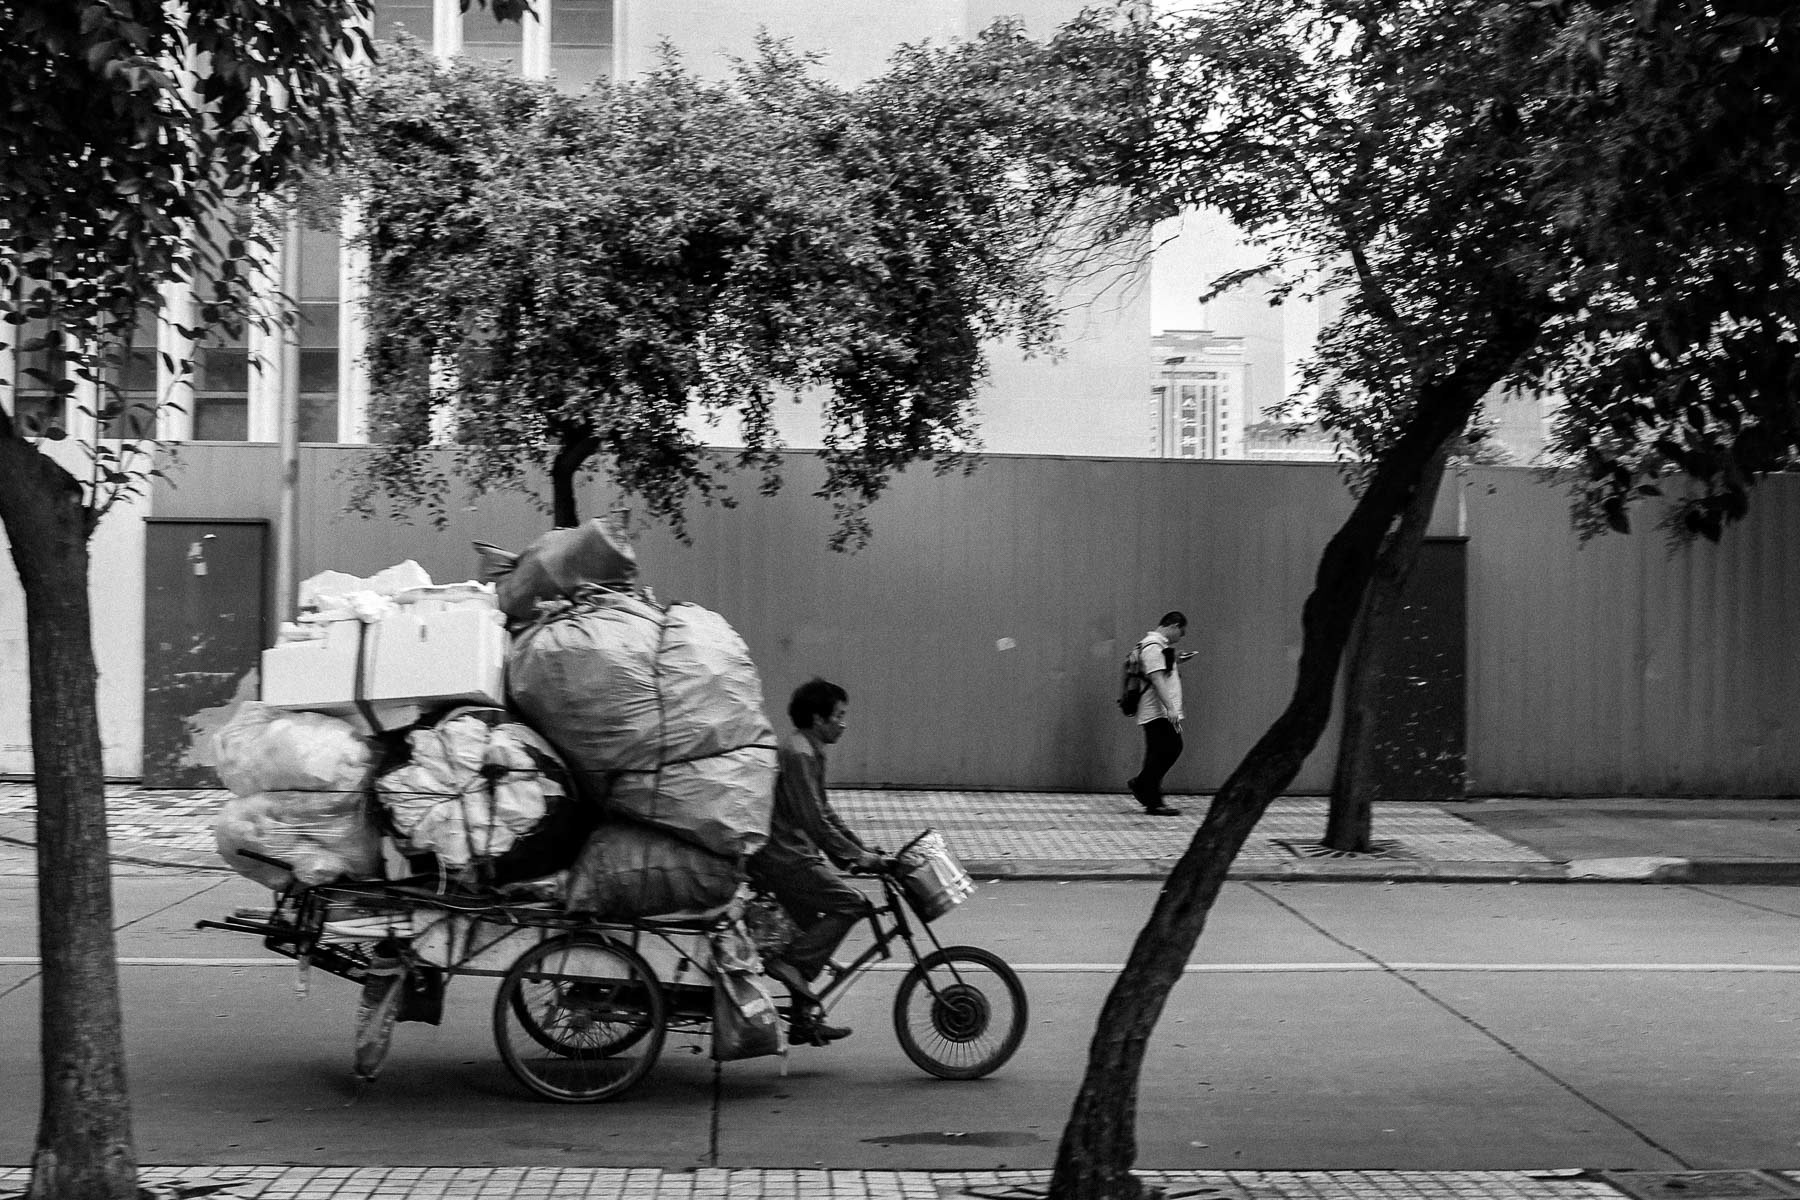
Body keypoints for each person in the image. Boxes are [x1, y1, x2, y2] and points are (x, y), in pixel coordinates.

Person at [748, 677, 887, 1046]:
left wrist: (862, 850)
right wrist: (855, 857)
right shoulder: (799, 754)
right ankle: (793, 967)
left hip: (794, 851)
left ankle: (802, 1021)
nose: (844, 723)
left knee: (808, 927)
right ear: (817, 718)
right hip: (785, 856)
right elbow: (814, 820)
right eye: (838, 716)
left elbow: (825, 812)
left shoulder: (808, 749)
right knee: (853, 904)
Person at [1126, 611, 1191, 817]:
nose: (1180, 637)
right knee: (1172, 747)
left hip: (1156, 711)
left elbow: (1159, 672)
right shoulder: (1153, 646)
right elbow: (1156, 679)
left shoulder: (1155, 646)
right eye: (1181, 632)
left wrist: (1176, 660)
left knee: (1156, 754)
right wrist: (1170, 708)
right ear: (1173, 625)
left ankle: (1153, 801)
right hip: (1157, 712)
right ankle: (1142, 785)